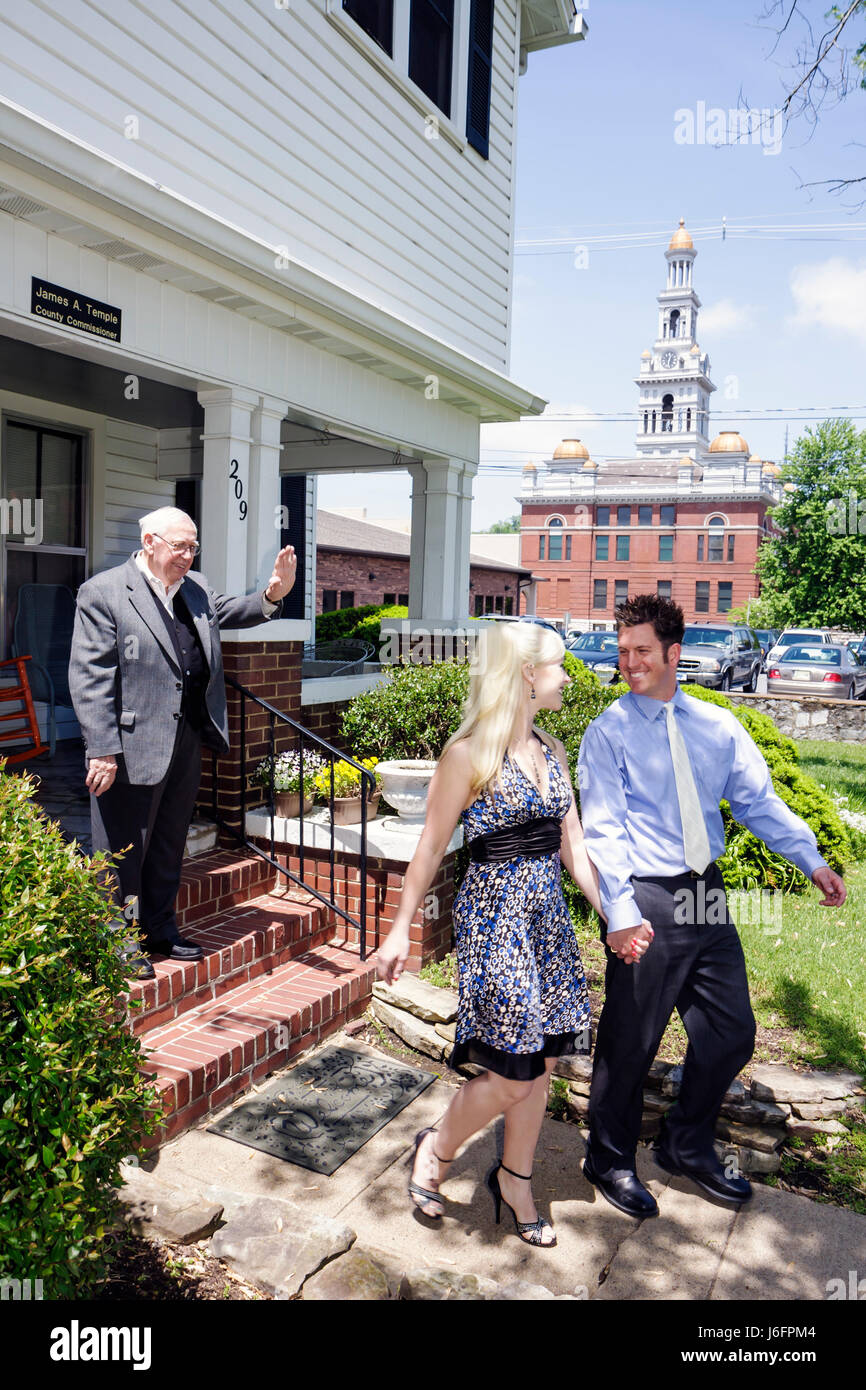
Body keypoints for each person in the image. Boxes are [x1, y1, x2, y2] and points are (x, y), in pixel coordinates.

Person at [376, 621, 653, 1247]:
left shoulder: (553, 749)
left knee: (543, 1059)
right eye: (559, 664)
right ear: (527, 674)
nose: (568, 674)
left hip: (546, 924)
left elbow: (574, 846)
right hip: (495, 920)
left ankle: (516, 1179)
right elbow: (428, 851)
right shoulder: (467, 754)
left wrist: (616, 914)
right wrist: (399, 931)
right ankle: (438, 1147)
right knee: (511, 1071)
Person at [577, 593, 846, 1218]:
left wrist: (810, 859)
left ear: (675, 653)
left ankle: (685, 1144)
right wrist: (619, 913)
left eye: (642, 651)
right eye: (622, 652)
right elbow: (605, 829)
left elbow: (757, 802)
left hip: (705, 892)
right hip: (644, 895)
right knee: (630, 1040)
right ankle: (608, 1157)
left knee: (731, 1033)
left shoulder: (717, 726)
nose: (629, 663)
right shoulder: (607, 732)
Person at [68, 507, 296, 980]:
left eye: (193, 547)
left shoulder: (195, 590)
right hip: (129, 746)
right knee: (123, 850)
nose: (188, 555)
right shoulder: (104, 592)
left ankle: (159, 929)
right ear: (150, 541)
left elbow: (233, 610)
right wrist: (102, 749)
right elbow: (90, 677)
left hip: (185, 740)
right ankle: (118, 940)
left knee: (169, 843)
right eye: (180, 546)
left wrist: (273, 594)